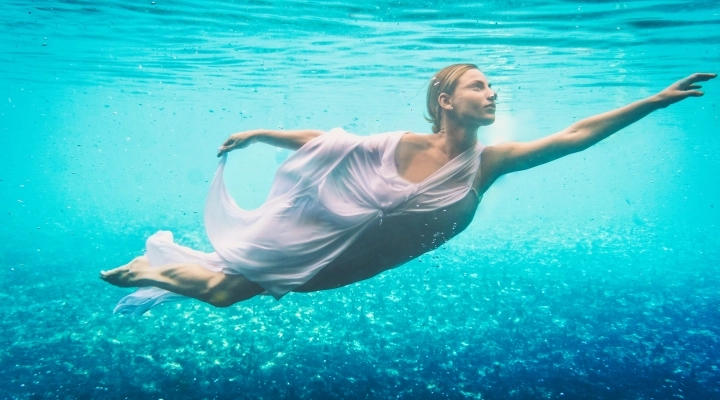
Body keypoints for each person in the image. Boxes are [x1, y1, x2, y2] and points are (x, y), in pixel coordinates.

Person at [100, 64, 715, 315]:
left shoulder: (490, 162)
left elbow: (578, 135)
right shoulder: (397, 143)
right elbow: (327, 141)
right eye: (479, 86)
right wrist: (262, 133)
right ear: (446, 100)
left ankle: (155, 268)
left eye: (494, 86)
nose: (493, 93)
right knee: (227, 291)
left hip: (354, 258)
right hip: (322, 237)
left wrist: (657, 101)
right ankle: (149, 270)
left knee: (228, 293)